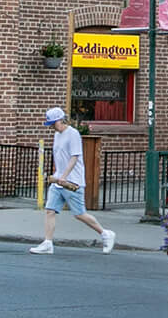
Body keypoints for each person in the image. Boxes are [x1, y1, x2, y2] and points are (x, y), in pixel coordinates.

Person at [30, 106, 114, 255]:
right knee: (50, 211)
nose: (51, 128)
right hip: (59, 181)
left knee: (79, 214)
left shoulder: (73, 134)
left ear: (61, 120)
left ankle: (105, 233)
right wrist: (58, 175)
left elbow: (74, 157)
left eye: (53, 124)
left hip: (72, 182)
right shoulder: (57, 135)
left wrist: (64, 177)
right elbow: (59, 157)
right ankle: (48, 243)